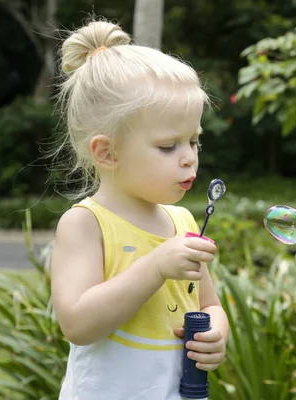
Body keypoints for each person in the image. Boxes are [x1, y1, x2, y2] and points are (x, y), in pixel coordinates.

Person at [50, 17, 229, 400]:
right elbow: (78, 323)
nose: (189, 160)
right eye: (169, 146)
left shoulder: (181, 221)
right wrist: (156, 266)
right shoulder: (85, 224)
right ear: (107, 152)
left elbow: (208, 303)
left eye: (194, 142)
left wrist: (216, 331)